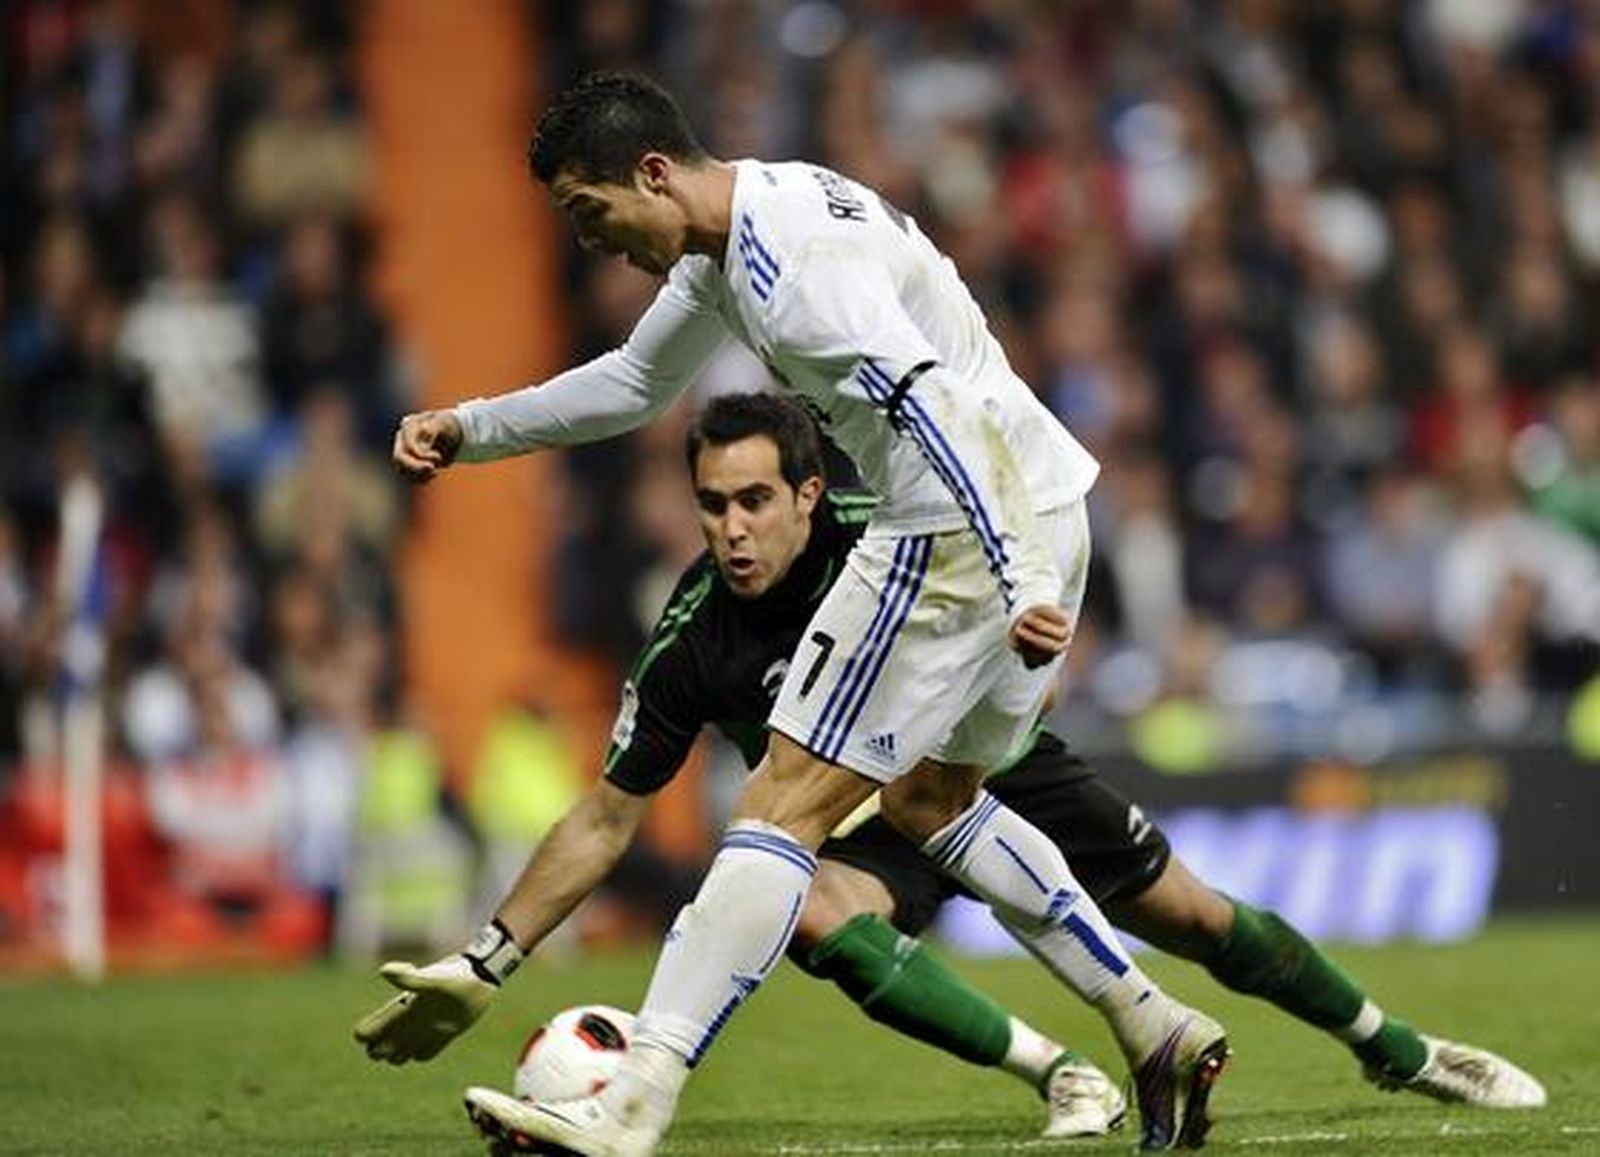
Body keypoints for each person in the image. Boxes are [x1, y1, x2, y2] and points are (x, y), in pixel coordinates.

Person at [383, 71, 1238, 1154]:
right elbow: (636, 383)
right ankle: (1149, 1022)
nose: (593, 243)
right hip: (1038, 502)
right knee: (933, 798)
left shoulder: (791, 275)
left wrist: (1016, 572)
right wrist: (472, 428)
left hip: (957, 527)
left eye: (589, 214)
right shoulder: (747, 225)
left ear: (651, 175)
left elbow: (932, 403)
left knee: (776, 805)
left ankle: (633, 1098)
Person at [357, 392, 1545, 1142]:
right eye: (712, 504)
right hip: (849, 818)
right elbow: (609, 814)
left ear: (810, 494)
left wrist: (1036, 615)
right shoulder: (695, 637)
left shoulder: (897, 537)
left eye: (757, 500)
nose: (733, 528)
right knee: (808, 907)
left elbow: (1029, 556)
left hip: (985, 765)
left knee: (1189, 911)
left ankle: (1398, 1048)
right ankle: (1062, 1067)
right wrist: (489, 954)